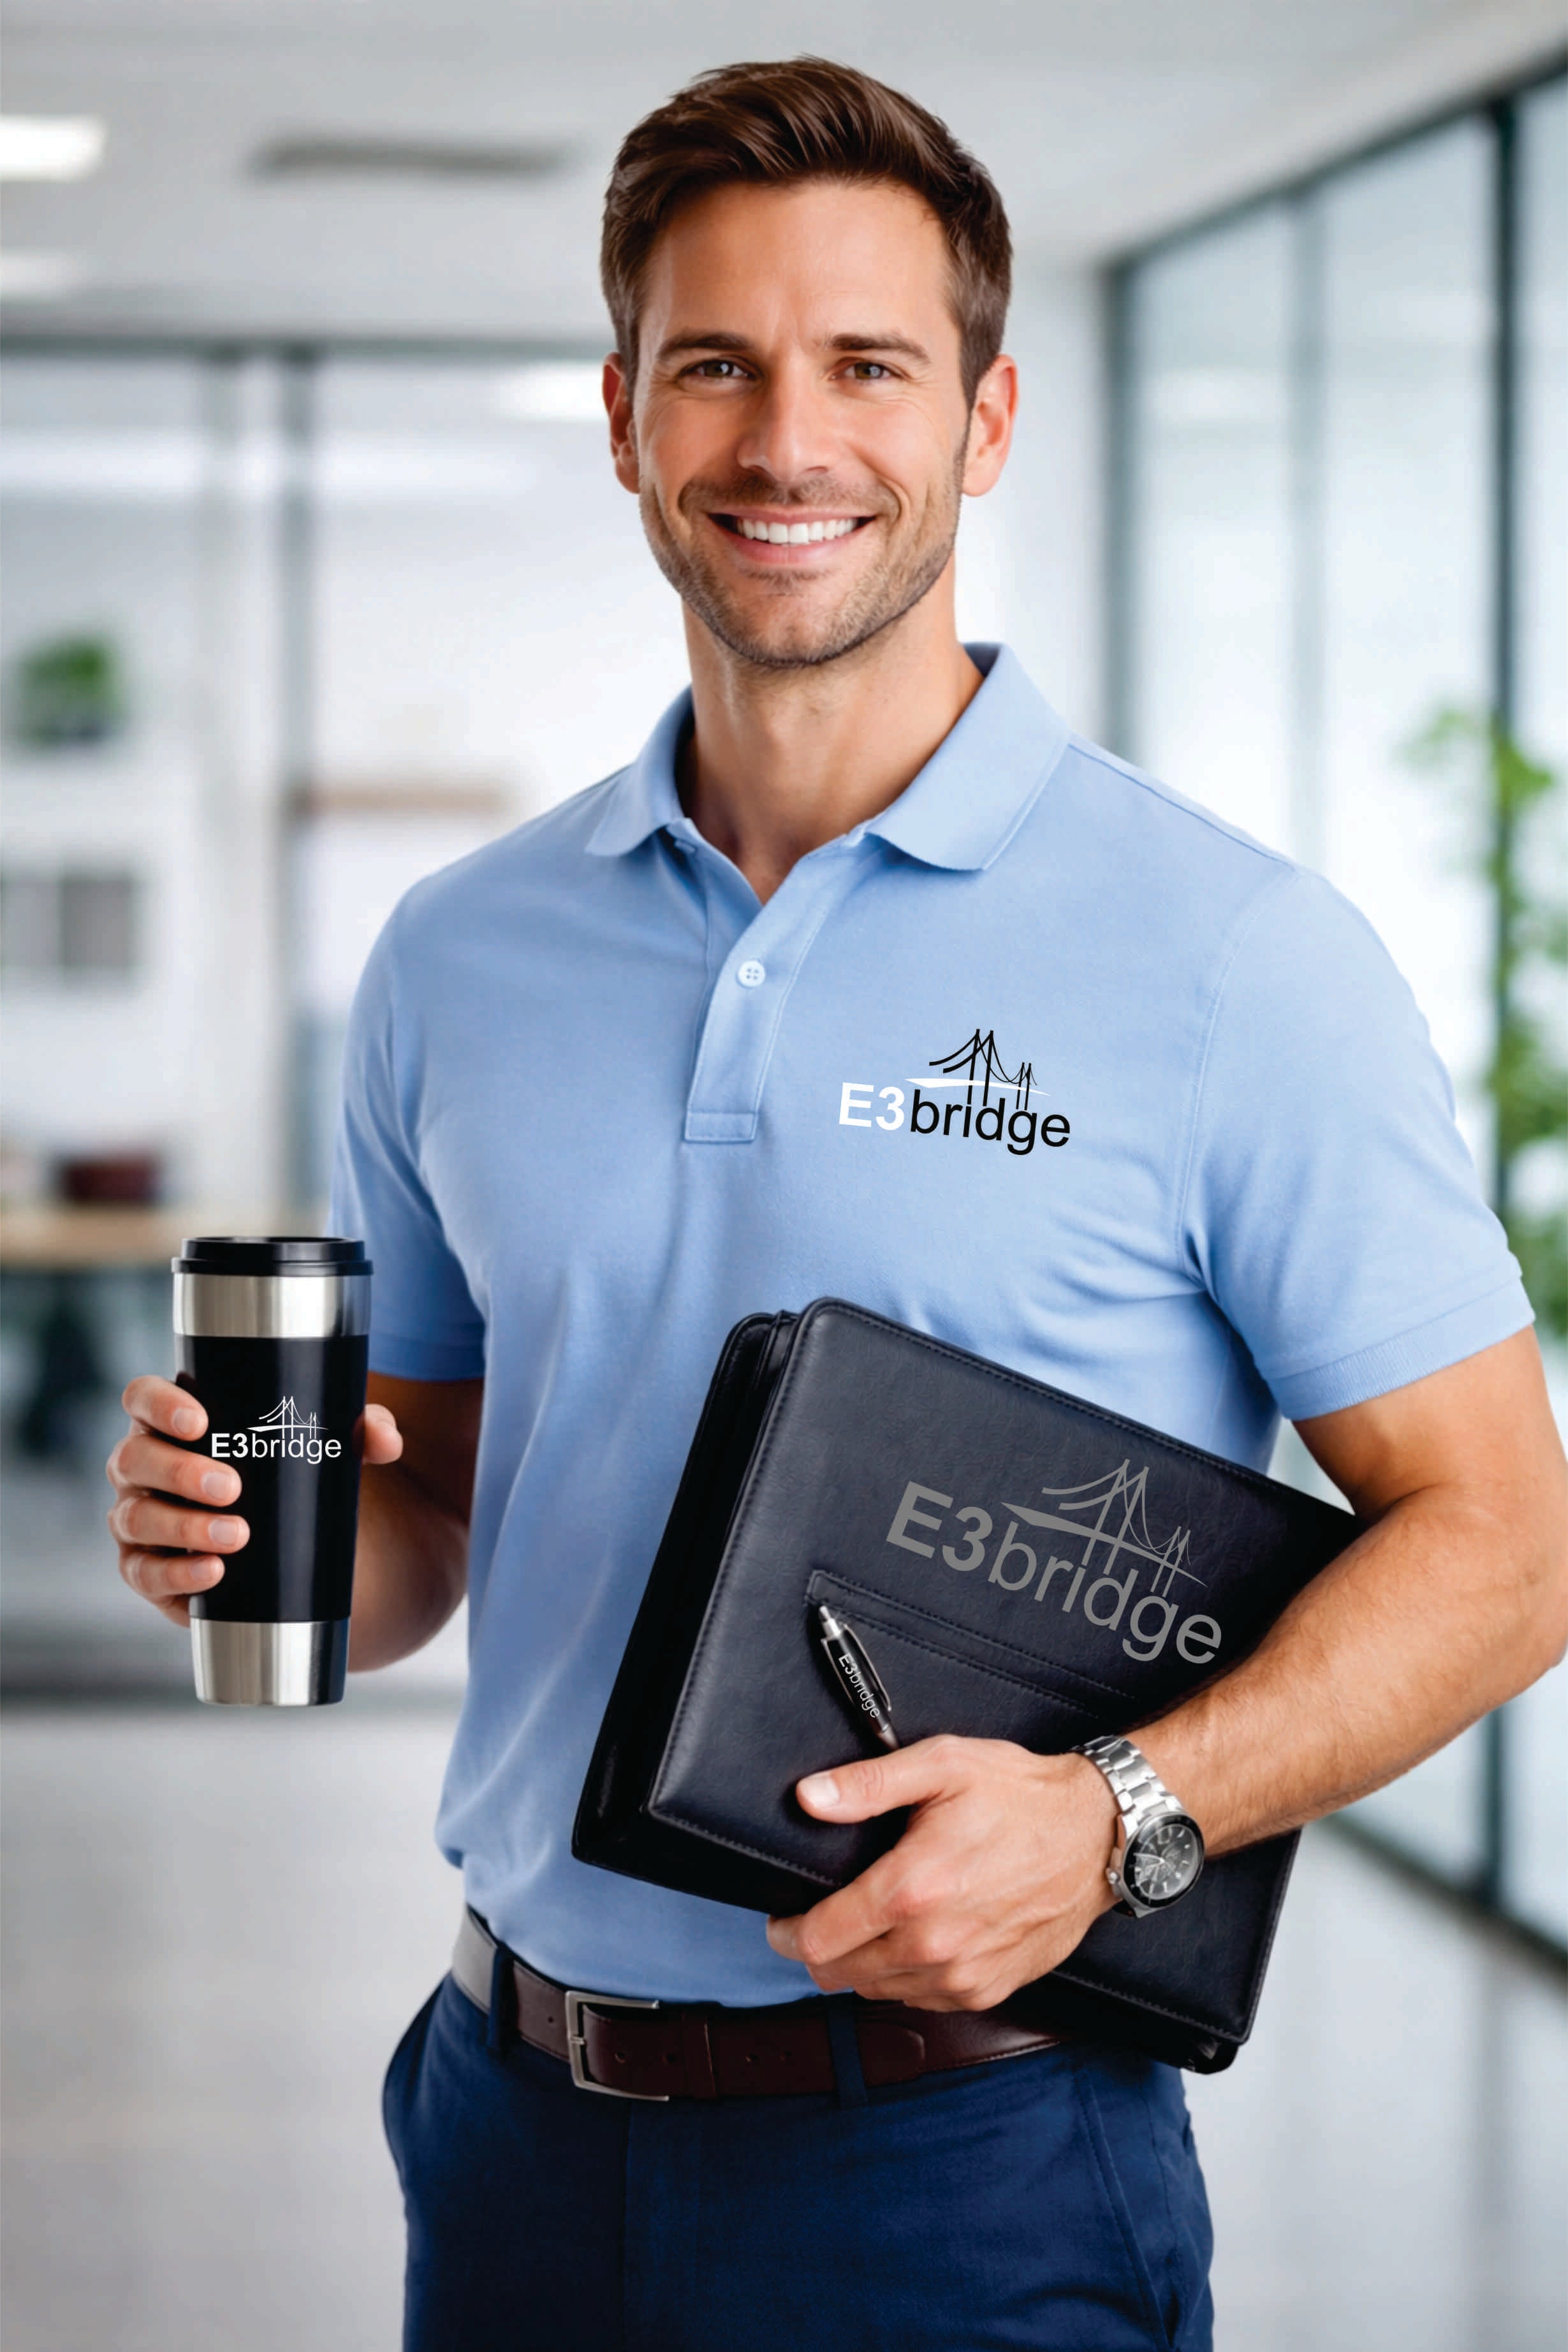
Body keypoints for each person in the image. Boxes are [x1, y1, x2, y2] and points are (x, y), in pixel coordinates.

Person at [106, 56, 1565, 2352]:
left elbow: (1503, 1544)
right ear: (621, 419)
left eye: (865, 365)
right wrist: (253, 1535)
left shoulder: (1228, 957)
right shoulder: (457, 956)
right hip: (509, 2118)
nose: (787, 442)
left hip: (975, 2158)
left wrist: (1115, 1818)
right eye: (715, 366)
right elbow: (423, 1543)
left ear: (982, 421)